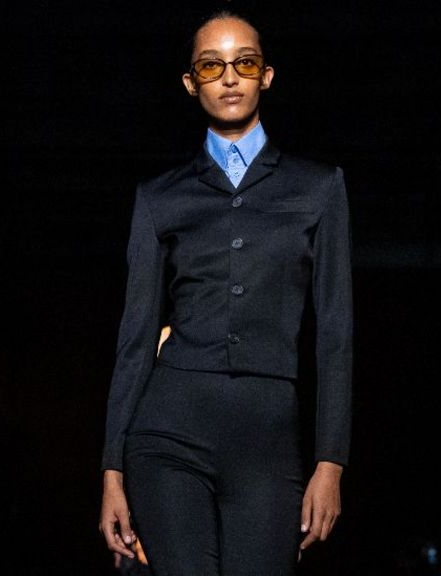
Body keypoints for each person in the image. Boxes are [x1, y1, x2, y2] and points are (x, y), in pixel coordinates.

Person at [98, 10, 353, 575]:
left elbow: (335, 333)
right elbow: (136, 338)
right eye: (212, 65)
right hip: (168, 432)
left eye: (245, 63)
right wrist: (111, 471)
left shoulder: (318, 188)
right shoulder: (160, 197)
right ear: (192, 83)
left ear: (266, 76)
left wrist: (331, 461)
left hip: (267, 439)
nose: (230, 77)